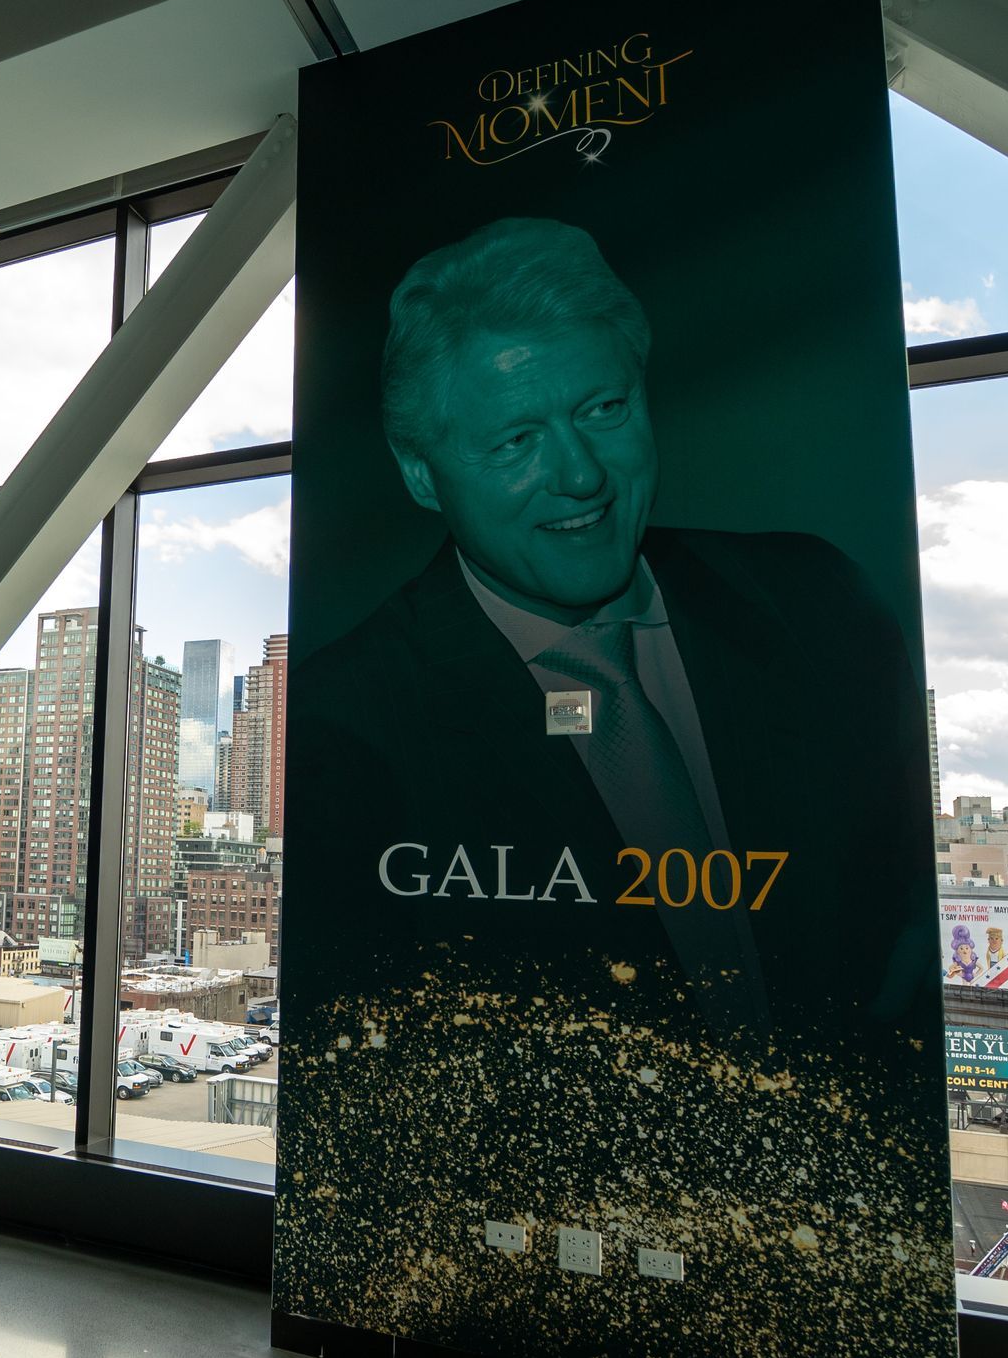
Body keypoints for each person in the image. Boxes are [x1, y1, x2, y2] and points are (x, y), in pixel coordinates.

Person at [289, 217, 936, 1042]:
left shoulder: (818, 602)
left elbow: (896, 899)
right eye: (516, 439)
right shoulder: (345, 729)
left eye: (604, 407)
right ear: (422, 474)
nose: (582, 474)